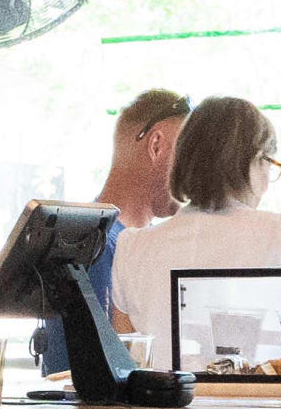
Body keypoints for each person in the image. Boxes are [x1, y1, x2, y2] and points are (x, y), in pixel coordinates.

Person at [108, 95, 281, 360]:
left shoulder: (133, 246)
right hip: (263, 400)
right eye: (270, 164)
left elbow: (127, 358)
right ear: (255, 160)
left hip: (167, 400)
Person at [37, 87, 185, 376]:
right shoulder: (95, 246)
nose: (193, 171)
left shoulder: (126, 242)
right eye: (186, 154)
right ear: (156, 145)